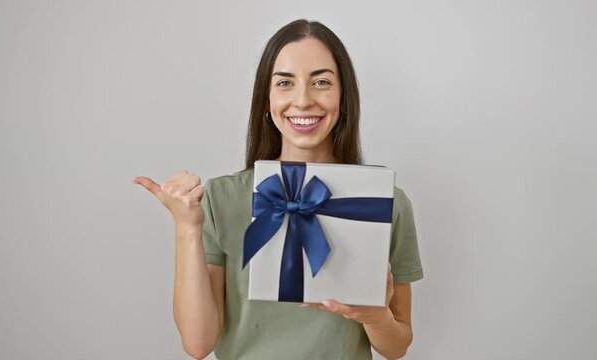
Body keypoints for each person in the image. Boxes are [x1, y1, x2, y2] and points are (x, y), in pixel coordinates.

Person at [134, 19, 424, 360]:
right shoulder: (220, 199)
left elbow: (397, 346)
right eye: (285, 83)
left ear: (344, 97)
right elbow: (198, 344)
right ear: (266, 100)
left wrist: (376, 317)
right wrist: (186, 227)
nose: (302, 100)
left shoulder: (384, 203)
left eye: (321, 82)